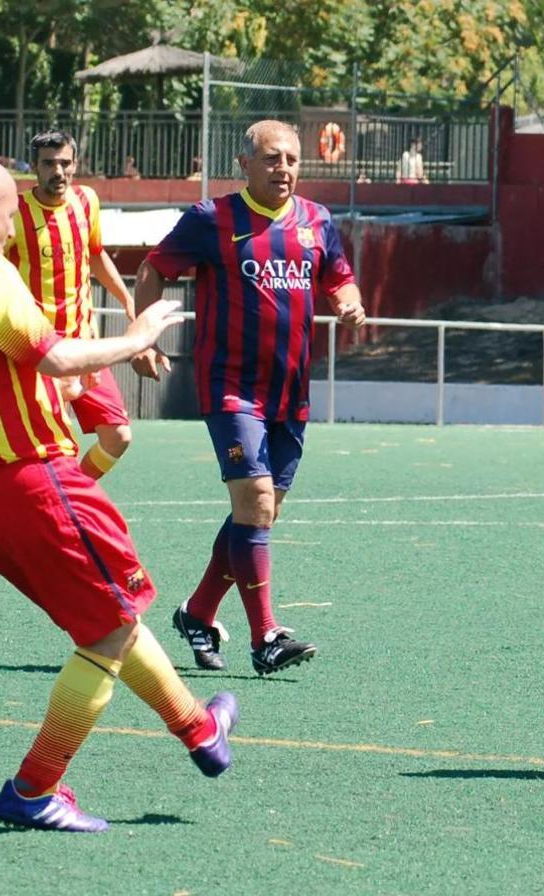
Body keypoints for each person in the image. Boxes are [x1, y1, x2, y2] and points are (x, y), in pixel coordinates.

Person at [0, 152, 239, 833]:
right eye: (10, 216)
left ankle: (199, 730)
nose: (14, 231)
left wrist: (50, 387)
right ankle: (35, 787)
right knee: (106, 629)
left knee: (106, 616)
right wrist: (132, 338)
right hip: (30, 478)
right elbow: (53, 354)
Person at [131, 119, 366, 676]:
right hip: (230, 388)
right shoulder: (211, 219)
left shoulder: (317, 220)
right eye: (270, 159)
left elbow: (339, 277)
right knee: (256, 504)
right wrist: (144, 339)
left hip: (291, 391)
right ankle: (266, 637)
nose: (282, 168)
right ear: (244, 165)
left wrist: (350, 301)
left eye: (290, 159)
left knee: (259, 513)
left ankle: (197, 612)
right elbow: (153, 269)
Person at [6, 131, 136, 481]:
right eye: (49, 163)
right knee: (55, 445)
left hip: (86, 345)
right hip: (39, 350)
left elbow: (94, 255)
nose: (58, 171)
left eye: (65, 163)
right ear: (34, 167)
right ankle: (59, 504)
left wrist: (127, 299)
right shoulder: (14, 213)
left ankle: (75, 490)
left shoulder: (86, 201)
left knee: (118, 435)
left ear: (75, 164)